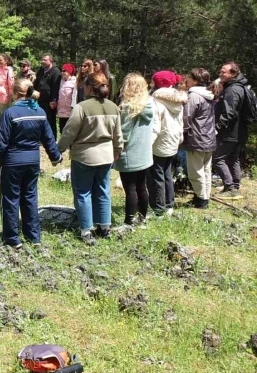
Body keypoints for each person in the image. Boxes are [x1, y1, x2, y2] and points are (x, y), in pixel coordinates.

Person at [0, 79, 61, 248]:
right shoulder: (40, 112)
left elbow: (0, 144)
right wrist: (55, 157)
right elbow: (49, 139)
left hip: (12, 163)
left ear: (15, 93)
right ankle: (33, 237)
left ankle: (12, 238)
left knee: (10, 199)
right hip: (32, 162)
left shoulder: (10, 113)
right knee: (30, 197)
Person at [58, 72, 123, 244]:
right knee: (103, 190)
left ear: (88, 87)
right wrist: (118, 150)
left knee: (83, 192)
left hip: (84, 156)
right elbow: (118, 135)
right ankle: (104, 226)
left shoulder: (82, 107)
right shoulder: (113, 107)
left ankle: (86, 230)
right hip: (106, 155)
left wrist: (58, 149)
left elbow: (69, 132)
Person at [114, 73, 154, 225]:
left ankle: (128, 221)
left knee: (129, 188)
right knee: (141, 187)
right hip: (144, 154)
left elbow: (123, 133)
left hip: (129, 153)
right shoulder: (149, 104)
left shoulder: (127, 107)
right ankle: (142, 220)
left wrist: (116, 150)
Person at [148, 70, 188, 216]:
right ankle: (169, 204)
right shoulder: (178, 101)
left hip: (158, 143)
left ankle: (158, 208)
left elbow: (154, 126)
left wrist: (147, 145)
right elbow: (180, 122)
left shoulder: (156, 101)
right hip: (172, 142)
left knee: (155, 176)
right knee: (167, 173)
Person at [214, 62, 250, 200]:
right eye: (221, 71)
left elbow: (229, 113)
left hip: (230, 132)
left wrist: (217, 127)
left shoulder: (232, 90)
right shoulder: (239, 87)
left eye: (224, 72)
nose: (220, 74)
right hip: (239, 131)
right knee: (233, 159)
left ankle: (230, 187)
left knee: (218, 159)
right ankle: (235, 185)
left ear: (233, 74)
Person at [183, 68, 216, 209]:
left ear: (195, 80)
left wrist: (181, 134)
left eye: (188, 77)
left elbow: (186, 118)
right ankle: (204, 196)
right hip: (209, 137)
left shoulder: (194, 96)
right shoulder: (209, 95)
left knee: (195, 171)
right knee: (206, 169)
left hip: (196, 138)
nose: (186, 80)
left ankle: (201, 200)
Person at [34, 53, 61, 138]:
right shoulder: (41, 71)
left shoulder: (56, 72)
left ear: (51, 61)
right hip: (40, 100)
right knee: (40, 119)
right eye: (42, 60)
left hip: (50, 101)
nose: (42, 62)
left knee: (50, 121)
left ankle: (52, 138)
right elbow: (37, 83)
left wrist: (54, 100)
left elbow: (56, 87)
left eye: (45, 60)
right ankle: (42, 138)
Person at [0, 53, 14, 123]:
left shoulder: (8, 70)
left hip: (3, 97)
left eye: (1, 60)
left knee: (4, 115)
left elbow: (11, 84)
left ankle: (5, 131)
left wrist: (11, 95)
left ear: (6, 61)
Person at [57, 63, 77, 133]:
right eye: (61, 71)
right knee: (62, 130)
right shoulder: (60, 81)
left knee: (70, 131)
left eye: (64, 71)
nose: (62, 72)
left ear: (69, 72)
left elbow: (75, 96)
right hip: (61, 110)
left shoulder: (75, 81)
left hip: (70, 110)